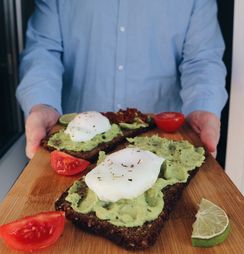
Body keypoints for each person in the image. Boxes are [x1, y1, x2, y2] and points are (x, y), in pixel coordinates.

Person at [16, 0, 227, 159]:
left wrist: (203, 106)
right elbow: (43, 51)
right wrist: (41, 103)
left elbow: (202, 59)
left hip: (161, 141)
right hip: (77, 142)